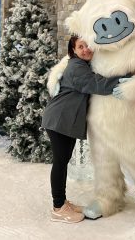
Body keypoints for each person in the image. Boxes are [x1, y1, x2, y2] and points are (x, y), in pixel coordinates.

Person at [42, 35, 129, 223]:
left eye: (88, 45)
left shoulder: (80, 64)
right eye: (81, 46)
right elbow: (96, 84)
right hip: (60, 120)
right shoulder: (76, 67)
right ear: (73, 50)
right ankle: (58, 207)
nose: (86, 49)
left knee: (61, 161)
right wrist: (127, 79)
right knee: (60, 162)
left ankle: (62, 201)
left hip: (63, 120)